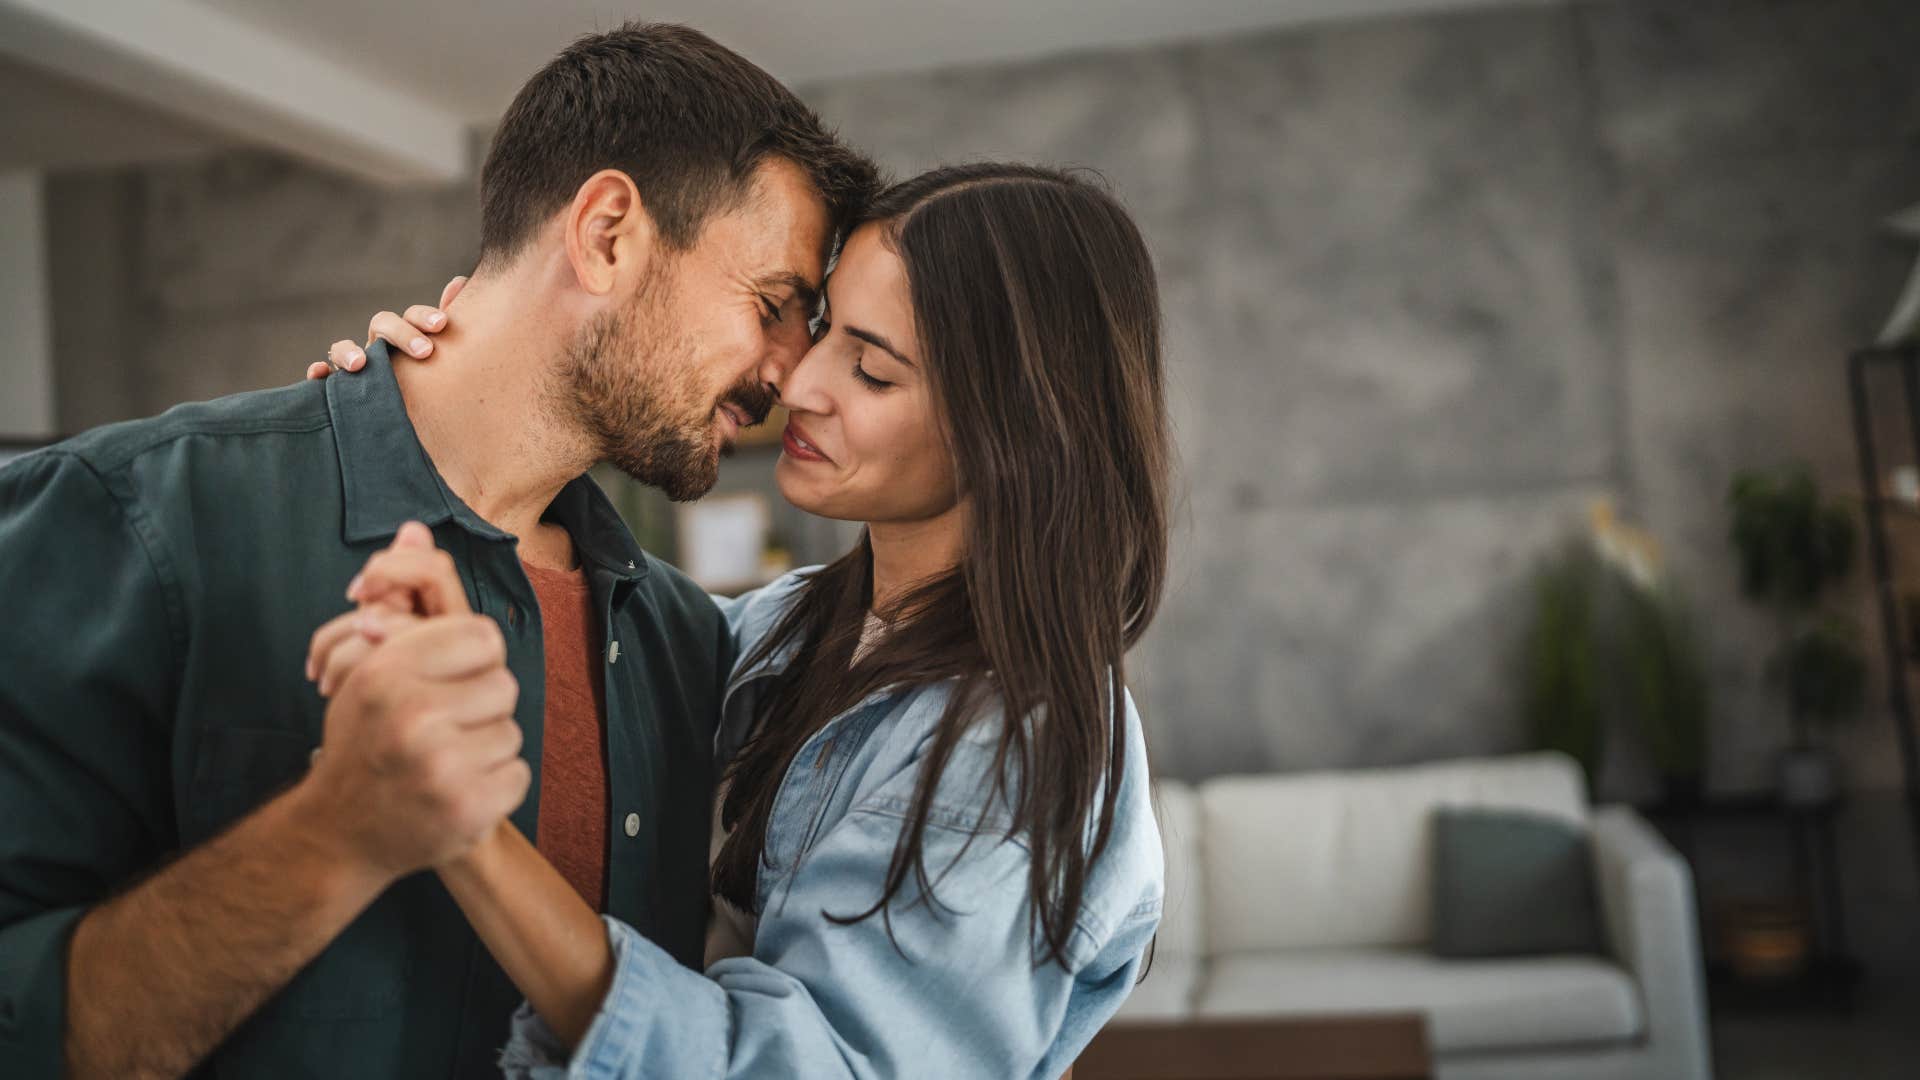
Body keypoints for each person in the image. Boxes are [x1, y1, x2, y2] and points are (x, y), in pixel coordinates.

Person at [0, 23, 878, 1077]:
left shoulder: (686, 646)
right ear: (606, 235)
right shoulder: (132, 516)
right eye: (774, 305)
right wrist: (334, 835)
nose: (791, 373)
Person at [308, 161, 1171, 1078]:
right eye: (825, 329)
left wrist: (471, 838)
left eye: (872, 370)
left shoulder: (1020, 741)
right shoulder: (782, 630)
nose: (800, 383)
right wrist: (439, 417)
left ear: (1015, 432)